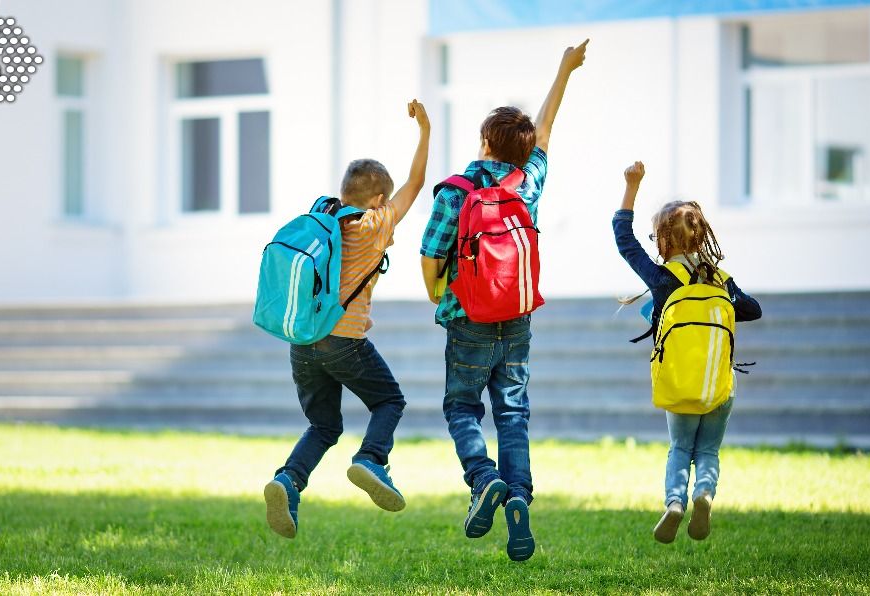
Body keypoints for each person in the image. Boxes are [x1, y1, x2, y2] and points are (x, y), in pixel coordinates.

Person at [419, 40, 588, 561]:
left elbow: (430, 255)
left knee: (460, 407)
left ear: (484, 143)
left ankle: (484, 478)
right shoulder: (527, 184)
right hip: (516, 319)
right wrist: (564, 69)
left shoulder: (456, 190)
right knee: (512, 413)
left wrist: (438, 297)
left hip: (466, 316)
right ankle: (518, 498)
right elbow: (547, 129)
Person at [264, 100, 431, 539]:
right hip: (345, 340)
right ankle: (372, 459)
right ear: (377, 198)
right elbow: (416, 183)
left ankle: (287, 480)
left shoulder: (323, 216)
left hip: (303, 339)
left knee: (323, 424)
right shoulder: (374, 224)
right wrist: (425, 130)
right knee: (389, 401)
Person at [614, 161, 762, 543]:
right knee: (708, 450)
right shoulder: (721, 280)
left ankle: (675, 502)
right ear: (702, 238)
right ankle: (704, 493)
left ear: (663, 241)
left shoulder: (664, 279)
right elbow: (752, 310)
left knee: (680, 447)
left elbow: (623, 240)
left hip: (679, 384)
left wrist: (632, 186)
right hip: (719, 386)